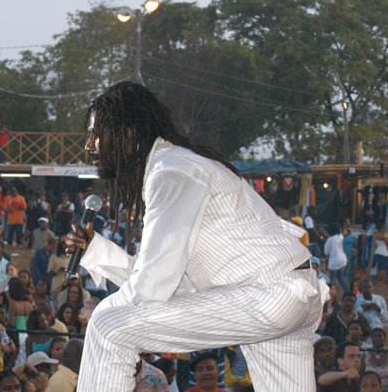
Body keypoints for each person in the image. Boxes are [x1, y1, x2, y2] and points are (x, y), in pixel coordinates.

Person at [64, 82, 326, 392]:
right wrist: (95, 251)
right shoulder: (178, 165)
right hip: (289, 293)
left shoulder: (171, 171)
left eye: (96, 134)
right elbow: (170, 285)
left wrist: (107, 309)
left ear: (129, 133)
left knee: (109, 328)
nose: (89, 146)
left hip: (267, 295)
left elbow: (151, 288)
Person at [324, 223, 349, 293]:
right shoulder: (341, 236)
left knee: (332, 280)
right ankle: (347, 291)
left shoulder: (330, 239)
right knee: (340, 278)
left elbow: (326, 252)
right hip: (343, 260)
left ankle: (330, 294)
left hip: (334, 262)